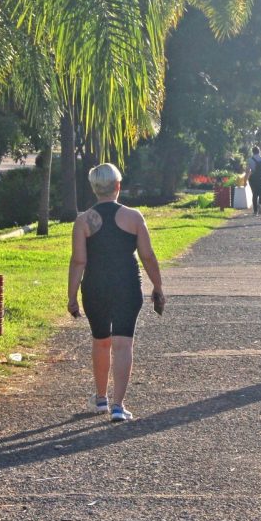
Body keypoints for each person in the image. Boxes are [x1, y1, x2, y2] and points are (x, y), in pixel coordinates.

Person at [67, 163, 164, 422]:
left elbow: (78, 261)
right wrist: (158, 286)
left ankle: (101, 398)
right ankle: (119, 406)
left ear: (94, 188)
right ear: (118, 186)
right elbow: (147, 255)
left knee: (101, 341)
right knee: (123, 344)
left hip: (95, 286)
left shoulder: (83, 221)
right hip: (127, 285)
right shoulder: (134, 217)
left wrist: (72, 296)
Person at [247, 145, 261, 214]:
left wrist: (245, 180)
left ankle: (255, 211)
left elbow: (247, 171)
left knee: (255, 194)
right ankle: (260, 204)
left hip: (253, 179)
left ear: (252, 152)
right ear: (259, 151)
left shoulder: (250, 159)